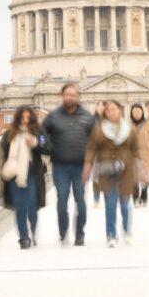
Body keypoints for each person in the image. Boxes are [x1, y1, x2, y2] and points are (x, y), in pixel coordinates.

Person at [41, 83, 94, 245]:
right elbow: (41, 134)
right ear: (61, 96)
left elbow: (94, 143)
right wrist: (49, 149)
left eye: (73, 95)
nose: (70, 97)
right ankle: (63, 229)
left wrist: (89, 164)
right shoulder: (53, 116)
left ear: (78, 97)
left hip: (80, 166)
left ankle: (80, 233)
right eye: (67, 94)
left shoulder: (87, 116)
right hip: (60, 166)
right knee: (62, 199)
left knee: (81, 202)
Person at [83, 99, 139, 247]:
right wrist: (88, 166)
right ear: (105, 113)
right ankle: (111, 235)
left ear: (119, 110)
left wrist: (141, 167)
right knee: (110, 204)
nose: (111, 112)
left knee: (126, 204)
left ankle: (127, 232)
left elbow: (137, 149)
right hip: (107, 170)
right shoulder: (99, 128)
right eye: (108, 110)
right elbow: (92, 149)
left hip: (126, 170)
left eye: (114, 109)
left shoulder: (130, 128)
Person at [0, 106, 48, 249]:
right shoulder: (10, 133)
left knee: (32, 206)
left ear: (32, 118)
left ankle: (33, 230)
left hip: (33, 172)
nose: (25, 120)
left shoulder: (38, 132)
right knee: (20, 206)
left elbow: (47, 148)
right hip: (15, 173)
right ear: (18, 118)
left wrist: (35, 144)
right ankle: (24, 238)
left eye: (28, 117)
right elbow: (4, 150)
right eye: (22, 117)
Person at [131, 102, 149, 206]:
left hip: (146, 154)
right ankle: (135, 197)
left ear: (142, 112)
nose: (136, 114)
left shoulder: (148, 123)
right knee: (134, 178)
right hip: (132, 154)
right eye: (134, 112)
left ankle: (144, 195)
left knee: (144, 177)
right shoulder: (128, 124)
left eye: (138, 111)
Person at [92, 100, 106, 208]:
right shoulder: (92, 120)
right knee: (96, 176)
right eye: (100, 106)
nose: (102, 108)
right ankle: (96, 198)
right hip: (96, 152)